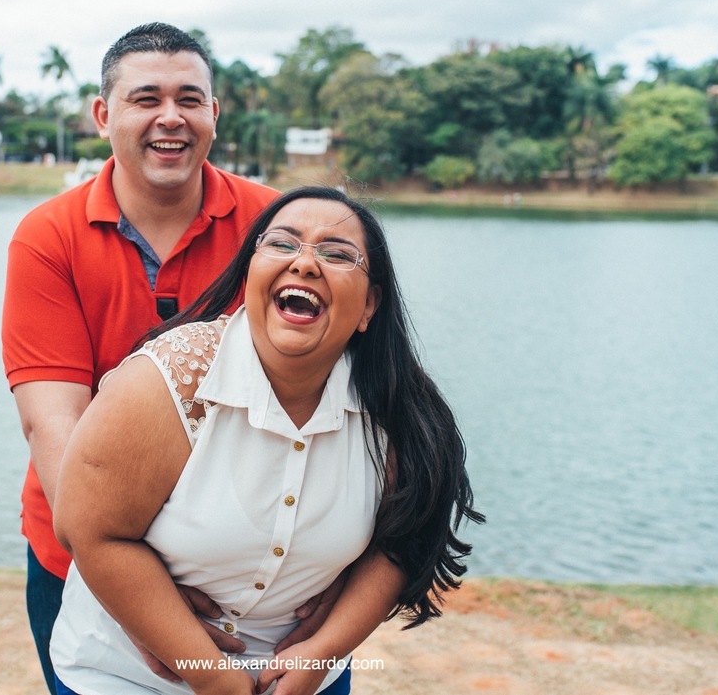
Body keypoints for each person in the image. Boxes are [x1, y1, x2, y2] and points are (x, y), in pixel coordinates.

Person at [51, 186, 484, 695]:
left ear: (369, 304)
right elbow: (91, 531)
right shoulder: (168, 380)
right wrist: (213, 676)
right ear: (250, 275)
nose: (304, 263)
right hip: (126, 678)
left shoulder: (399, 410)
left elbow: (402, 542)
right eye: (281, 244)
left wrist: (324, 653)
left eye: (337, 254)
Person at [2, 22, 279, 692]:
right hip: (81, 552)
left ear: (215, 113)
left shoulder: (276, 225)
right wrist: (132, 591)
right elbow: (52, 422)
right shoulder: (48, 237)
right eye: (146, 98)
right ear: (103, 115)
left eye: (190, 99)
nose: (170, 118)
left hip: (248, 559)